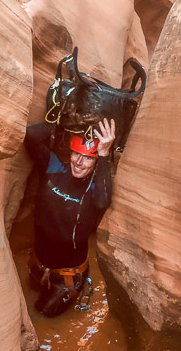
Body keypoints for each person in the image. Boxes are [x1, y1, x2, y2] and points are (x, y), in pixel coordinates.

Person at [24, 118, 116, 316]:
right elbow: (30, 135)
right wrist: (68, 123)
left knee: (44, 314)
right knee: (28, 293)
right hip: (37, 264)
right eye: (76, 153)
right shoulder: (55, 167)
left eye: (88, 158)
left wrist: (104, 154)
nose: (79, 162)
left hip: (66, 279)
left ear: (96, 161)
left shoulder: (95, 186)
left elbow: (102, 201)